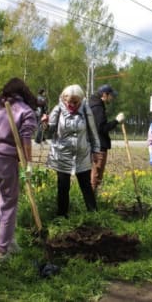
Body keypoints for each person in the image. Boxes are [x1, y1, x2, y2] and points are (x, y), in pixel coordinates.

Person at [0, 78, 37, 264]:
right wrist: (28, 163)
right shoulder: (26, 111)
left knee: (0, 202)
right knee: (9, 205)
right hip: (5, 161)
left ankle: (9, 241)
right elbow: (26, 141)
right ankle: (2, 252)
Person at [43, 84, 101, 218]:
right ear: (63, 99)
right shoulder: (57, 110)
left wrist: (96, 150)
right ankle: (62, 216)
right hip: (62, 155)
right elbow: (49, 133)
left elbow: (93, 132)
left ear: (80, 100)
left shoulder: (86, 110)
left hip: (82, 155)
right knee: (63, 187)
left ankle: (94, 214)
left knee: (86, 185)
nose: (71, 105)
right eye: (68, 101)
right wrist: (45, 125)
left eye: (75, 102)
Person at [88, 84, 125, 193]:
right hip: (99, 146)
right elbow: (102, 128)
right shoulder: (98, 108)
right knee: (96, 175)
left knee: (94, 174)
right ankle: (92, 203)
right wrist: (116, 121)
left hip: (93, 144)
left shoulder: (93, 105)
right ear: (104, 95)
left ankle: (92, 201)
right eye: (111, 96)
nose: (112, 98)